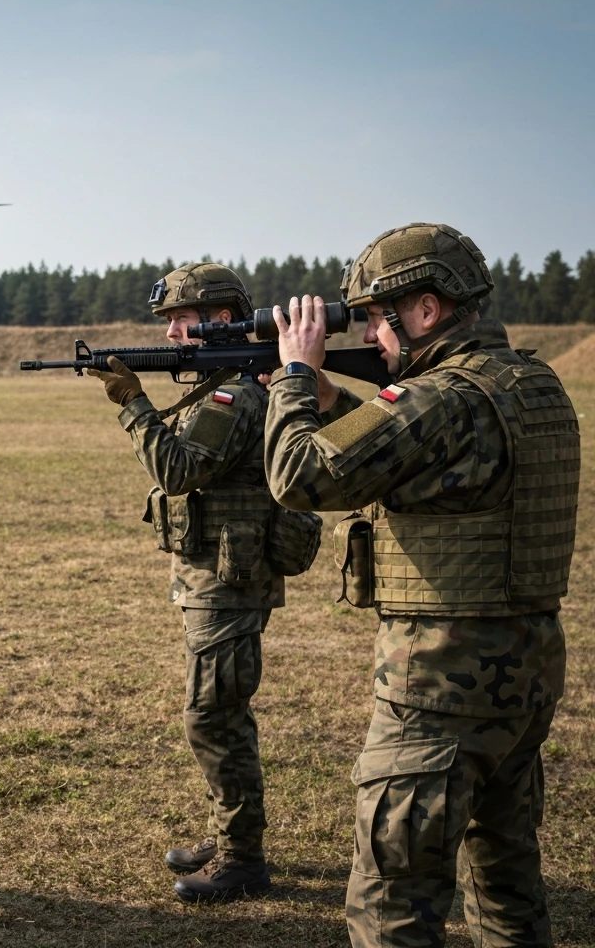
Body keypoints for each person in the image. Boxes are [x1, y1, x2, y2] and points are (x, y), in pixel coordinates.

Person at [263, 223, 577, 947]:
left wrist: (290, 380)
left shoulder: (438, 397)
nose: (372, 334)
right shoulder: (531, 383)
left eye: (378, 316)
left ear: (427, 310)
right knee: (506, 884)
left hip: (438, 687)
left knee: (393, 903)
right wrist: (331, 397)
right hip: (523, 676)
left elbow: (299, 476)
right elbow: (416, 454)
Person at [89, 262, 319, 904]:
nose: (169, 332)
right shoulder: (228, 384)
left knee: (214, 717)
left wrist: (131, 402)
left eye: (179, 319)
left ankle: (243, 860)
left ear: (222, 321)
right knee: (217, 713)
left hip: (229, 580)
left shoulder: (235, 394)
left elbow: (179, 468)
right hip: (217, 573)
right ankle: (231, 837)